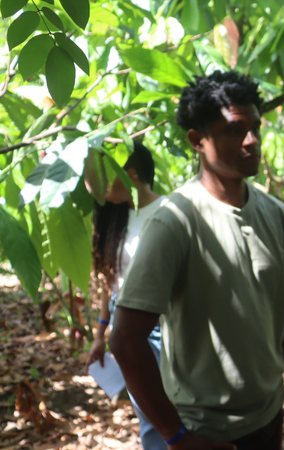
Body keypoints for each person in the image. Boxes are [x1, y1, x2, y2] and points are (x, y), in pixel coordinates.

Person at [109, 71, 284, 450]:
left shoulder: (275, 214)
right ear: (197, 141)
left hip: (269, 417)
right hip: (202, 429)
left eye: (255, 127)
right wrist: (178, 437)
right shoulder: (175, 223)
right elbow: (125, 340)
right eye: (236, 130)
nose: (252, 141)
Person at [85, 141, 168, 450]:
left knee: (176, 404)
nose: (97, 188)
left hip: (162, 321)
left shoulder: (168, 211)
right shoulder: (115, 218)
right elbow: (110, 280)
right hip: (127, 326)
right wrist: (100, 333)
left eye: (104, 178)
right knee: (148, 411)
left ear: (130, 174)